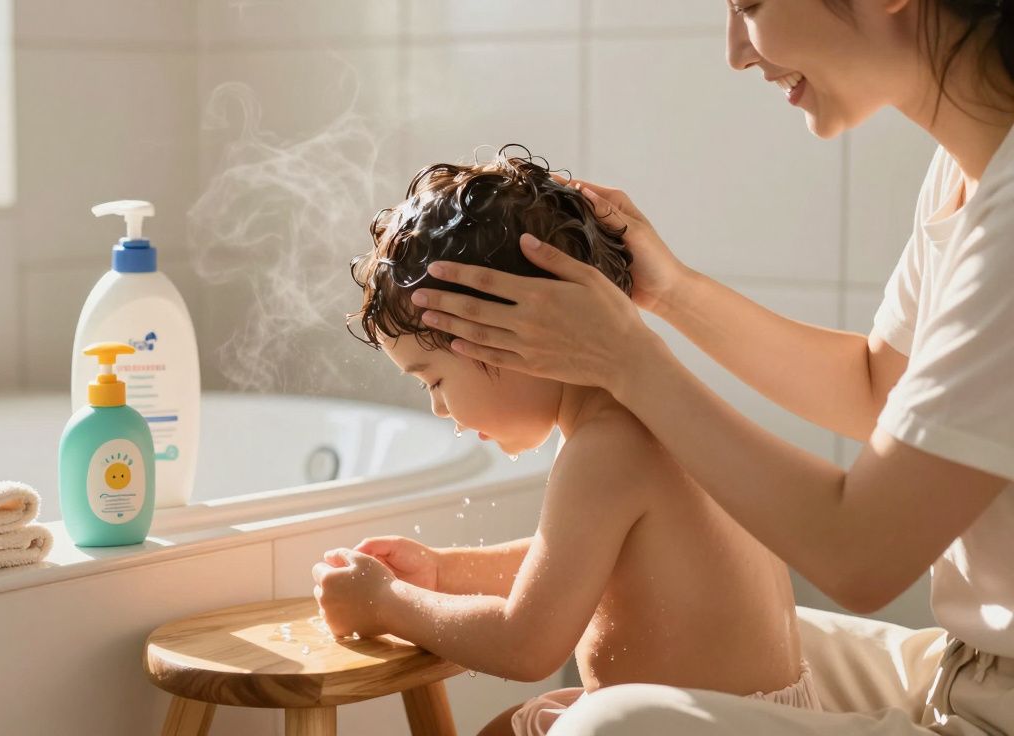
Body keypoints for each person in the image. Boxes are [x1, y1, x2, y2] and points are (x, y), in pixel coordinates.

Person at [405, 1, 1014, 733]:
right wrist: (675, 294)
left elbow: (862, 557)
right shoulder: (965, 171)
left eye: (749, 3)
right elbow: (880, 390)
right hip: (967, 663)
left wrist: (631, 360)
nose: (735, 50)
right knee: (688, 643)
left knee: (612, 724)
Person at [312, 148, 821, 736]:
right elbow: (574, 563)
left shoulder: (607, 448)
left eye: (435, 379)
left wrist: (385, 605)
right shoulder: (654, 414)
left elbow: (525, 645)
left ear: (512, 336)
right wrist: (441, 570)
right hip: (751, 717)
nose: (439, 407)